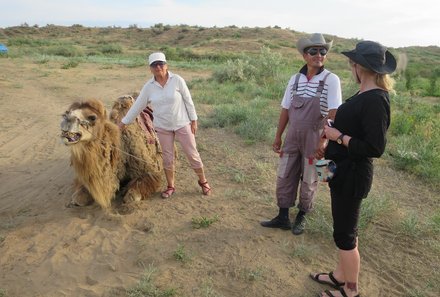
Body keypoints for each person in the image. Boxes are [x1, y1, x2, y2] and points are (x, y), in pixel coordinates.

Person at [310, 41, 396, 297]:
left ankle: (351, 290)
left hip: (353, 176)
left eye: (353, 64)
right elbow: (353, 129)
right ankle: (339, 275)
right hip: (340, 170)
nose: (351, 67)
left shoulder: (376, 100)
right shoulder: (362, 94)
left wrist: (338, 137)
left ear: (361, 67)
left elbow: (374, 147)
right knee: (343, 228)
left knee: (345, 235)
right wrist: (333, 132)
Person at [260, 33, 342, 235]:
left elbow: (334, 114)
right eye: (313, 51)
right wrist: (278, 136)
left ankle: (302, 217)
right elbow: (285, 109)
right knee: (285, 174)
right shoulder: (294, 79)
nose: (319, 55)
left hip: (317, 138)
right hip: (292, 136)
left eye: (323, 51)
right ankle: (282, 216)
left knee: (311, 178)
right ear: (304, 55)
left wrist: (324, 142)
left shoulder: (332, 80)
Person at [118, 52, 211, 198]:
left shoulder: (177, 80)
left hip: (182, 123)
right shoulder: (149, 87)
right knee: (167, 158)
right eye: (154, 65)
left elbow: (188, 100)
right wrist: (123, 123)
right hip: (163, 127)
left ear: (166, 65)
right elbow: (137, 106)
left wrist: (194, 120)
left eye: (161, 64)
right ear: (150, 68)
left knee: (192, 154)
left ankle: (203, 182)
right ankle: (170, 186)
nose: (158, 67)